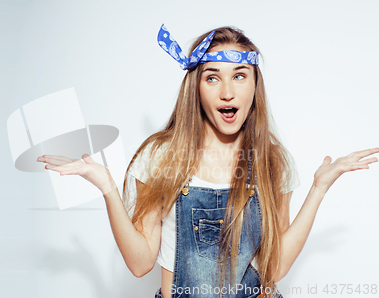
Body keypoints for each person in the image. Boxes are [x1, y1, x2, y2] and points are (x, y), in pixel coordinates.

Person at [36, 24, 379, 298]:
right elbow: (140, 264)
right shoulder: (160, 157)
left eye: (239, 75)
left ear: (255, 85)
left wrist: (319, 188)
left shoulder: (273, 161)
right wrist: (109, 188)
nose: (227, 91)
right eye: (212, 76)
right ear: (196, 87)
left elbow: (274, 268)